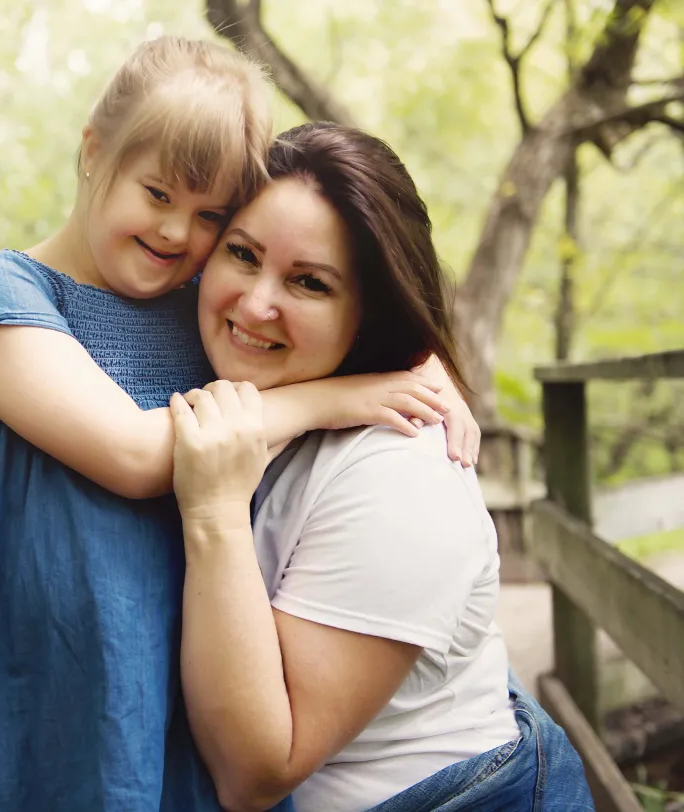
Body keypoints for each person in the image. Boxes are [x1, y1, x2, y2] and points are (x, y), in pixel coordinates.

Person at [0, 37, 477, 812]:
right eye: (159, 194)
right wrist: (332, 400)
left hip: (159, 658)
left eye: (211, 214)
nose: (178, 233)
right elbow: (139, 455)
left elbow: (318, 299)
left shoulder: (203, 303)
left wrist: (418, 365)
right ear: (94, 149)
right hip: (27, 664)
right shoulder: (4, 296)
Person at [166, 122, 594, 812]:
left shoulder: (402, 475)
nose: (255, 304)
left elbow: (255, 770)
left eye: (310, 282)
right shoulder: (266, 393)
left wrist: (213, 511)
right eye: (242, 255)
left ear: (369, 314)